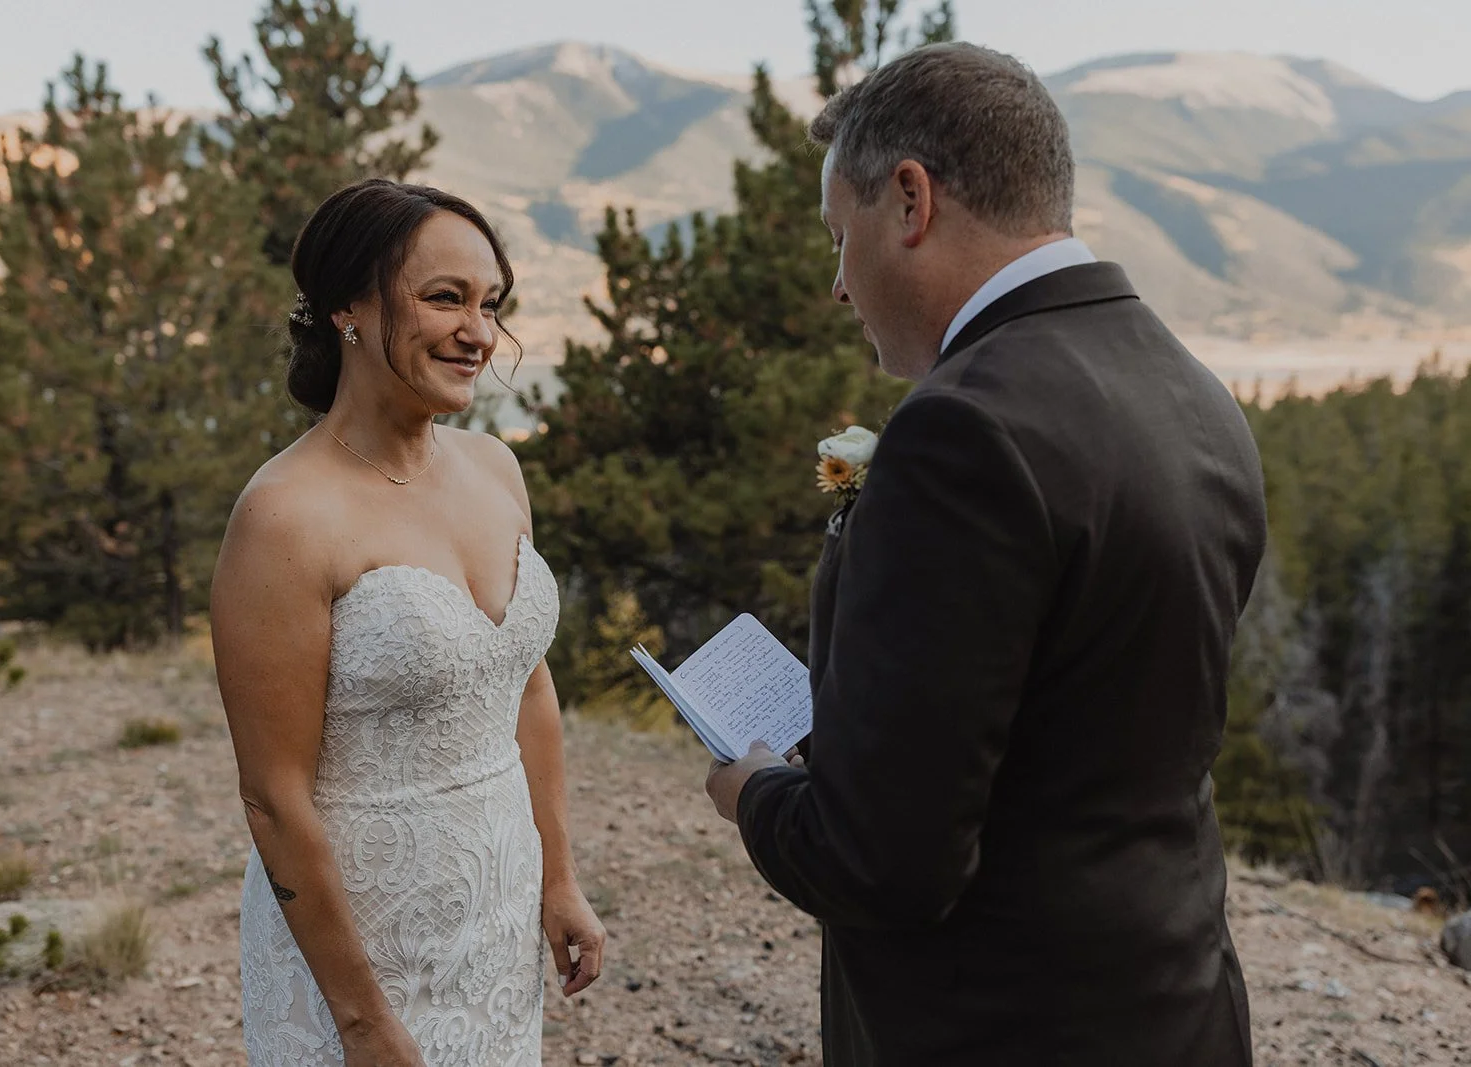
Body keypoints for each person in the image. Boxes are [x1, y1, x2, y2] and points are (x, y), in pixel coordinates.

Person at [705, 42, 1264, 1066]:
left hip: (1001, 1022)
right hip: (1173, 1000)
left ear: (909, 201)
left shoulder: (961, 428)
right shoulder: (1193, 391)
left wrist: (753, 789)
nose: (838, 283)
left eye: (841, 237)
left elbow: (885, 864)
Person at [212, 178, 605, 1067]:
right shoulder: (283, 516)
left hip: (497, 912)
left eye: (489, 303)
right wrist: (360, 1020)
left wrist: (559, 876)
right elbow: (272, 797)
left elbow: (527, 684)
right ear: (347, 308)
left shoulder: (498, 468)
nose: (478, 331)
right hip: (364, 938)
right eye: (444, 298)